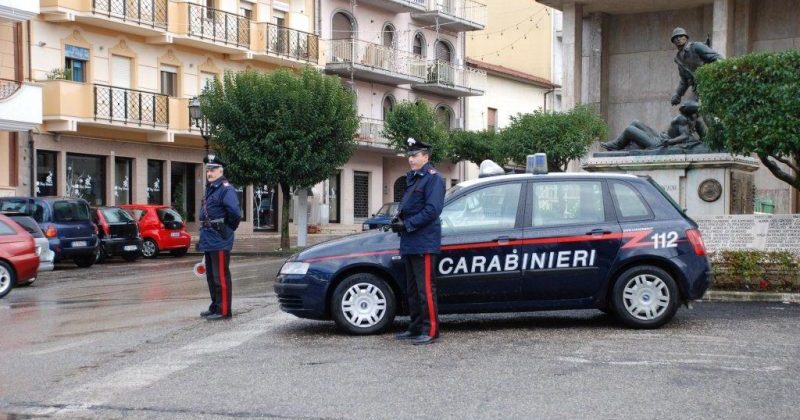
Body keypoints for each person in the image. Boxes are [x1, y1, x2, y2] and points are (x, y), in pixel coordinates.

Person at [392, 138, 446, 345]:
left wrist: (407, 224)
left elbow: (432, 210)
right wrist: (399, 221)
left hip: (423, 241)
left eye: (415, 155)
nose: (411, 159)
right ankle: (415, 327)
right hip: (410, 240)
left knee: (425, 289)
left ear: (426, 156)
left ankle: (430, 330)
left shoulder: (433, 178)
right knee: (412, 289)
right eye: (409, 155)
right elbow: (410, 207)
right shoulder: (414, 178)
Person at [198, 154, 241, 321]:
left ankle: (224, 311)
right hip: (209, 237)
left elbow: (235, 213)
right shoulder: (211, 188)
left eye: (213, 169)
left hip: (219, 237)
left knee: (220, 276)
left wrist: (228, 229)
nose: (209, 173)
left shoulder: (225, 188)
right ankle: (215, 306)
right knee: (211, 276)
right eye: (208, 170)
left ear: (220, 171)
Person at [601, 101, 706, 151]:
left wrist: (670, 142)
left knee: (629, 129)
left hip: (658, 144)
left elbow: (685, 136)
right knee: (635, 122)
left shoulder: (682, 119)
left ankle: (616, 145)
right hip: (660, 137)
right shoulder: (691, 119)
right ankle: (621, 144)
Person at [670, 27, 721, 106]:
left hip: (709, 84)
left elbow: (717, 58)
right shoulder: (678, 58)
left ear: (686, 38)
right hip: (698, 89)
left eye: (681, 36)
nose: (678, 39)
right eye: (675, 38)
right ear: (673, 42)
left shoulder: (696, 46)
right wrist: (678, 95)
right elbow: (684, 81)